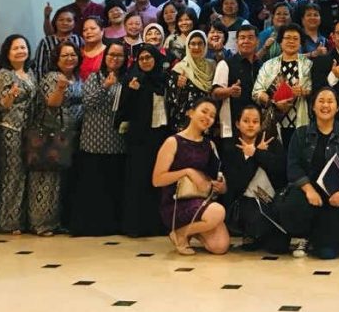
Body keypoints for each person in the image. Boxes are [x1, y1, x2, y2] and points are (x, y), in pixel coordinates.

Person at [282, 87, 339, 259]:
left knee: (328, 253)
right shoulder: (300, 134)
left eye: (330, 101)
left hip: (336, 196)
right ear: (313, 106)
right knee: (292, 203)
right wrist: (309, 190)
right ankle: (304, 235)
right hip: (309, 195)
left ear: (337, 107)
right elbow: (293, 166)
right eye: (321, 101)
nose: (325, 105)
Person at [153, 98, 230, 256]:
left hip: (201, 201)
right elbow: (157, 180)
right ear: (191, 112)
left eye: (212, 116)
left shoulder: (209, 145)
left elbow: (218, 176)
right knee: (218, 212)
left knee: (220, 246)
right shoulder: (173, 141)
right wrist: (187, 172)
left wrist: (222, 186)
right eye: (204, 111)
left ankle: (188, 231)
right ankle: (180, 233)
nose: (207, 117)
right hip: (176, 202)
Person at [70, 41, 127, 236]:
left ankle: (111, 225)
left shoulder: (126, 79)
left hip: (116, 142)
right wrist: (105, 86)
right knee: (93, 187)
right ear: (105, 56)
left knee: (112, 187)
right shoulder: (95, 77)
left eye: (119, 55)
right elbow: (87, 102)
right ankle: (90, 226)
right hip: (93, 141)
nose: (115, 59)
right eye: (112, 55)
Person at [29, 42, 83, 236]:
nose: (70, 59)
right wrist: (60, 88)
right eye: (65, 55)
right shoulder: (51, 77)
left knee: (61, 181)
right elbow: (52, 103)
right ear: (56, 59)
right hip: (50, 133)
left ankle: (56, 221)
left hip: (70, 135)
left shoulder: (78, 78)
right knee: (46, 179)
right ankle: (40, 223)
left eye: (73, 55)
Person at [116, 44, 169, 237]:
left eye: (149, 57)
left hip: (161, 137)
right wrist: (132, 92)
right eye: (142, 58)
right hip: (139, 138)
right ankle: (136, 226)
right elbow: (122, 111)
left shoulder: (163, 79)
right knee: (138, 181)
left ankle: (157, 224)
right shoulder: (132, 79)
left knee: (158, 180)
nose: (145, 61)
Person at [221, 106, 287, 253]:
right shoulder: (230, 148)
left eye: (255, 121)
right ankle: (251, 233)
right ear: (237, 124)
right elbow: (236, 184)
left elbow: (281, 171)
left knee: (278, 247)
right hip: (246, 202)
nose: (251, 125)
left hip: (272, 200)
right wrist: (254, 156)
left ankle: (263, 234)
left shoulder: (270, 142)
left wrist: (257, 153)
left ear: (261, 124)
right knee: (253, 226)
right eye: (246, 121)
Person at [0, 35, 36, 235]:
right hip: (11, 129)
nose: (20, 51)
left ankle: (22, 219)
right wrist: (11, 95)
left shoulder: (30, 73)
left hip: (29, 130)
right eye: (15, 48)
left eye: (23, 47)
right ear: (7, 53)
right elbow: (2, 105)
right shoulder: (4, 74)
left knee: (25, 174)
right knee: (11, 174)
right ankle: (7, 221)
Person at [252, 23, 313, 146]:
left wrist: (303, 92)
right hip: (273, 123)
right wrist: (273, 102)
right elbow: (256, 92)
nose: (291, 41)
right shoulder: (268, 65)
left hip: (301, 122)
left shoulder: (309, 65)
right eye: (287, 38)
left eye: (295, 38)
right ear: (280, 42)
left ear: (301, 43)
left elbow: (316, 91)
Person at [212, 25, 261, 141]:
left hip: (256, 127)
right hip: (232, 127)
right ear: (237, 42)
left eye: (250, 38)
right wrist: (229, 91)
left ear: (257, 42)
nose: (246, 41)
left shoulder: (262, 65)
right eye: (242, 38)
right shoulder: (225, 64)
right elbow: (214, 93)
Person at [166, 31, 216, 131]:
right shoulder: (180, 68)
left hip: (207, 121)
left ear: (205, 46)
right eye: (193, 44)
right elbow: (171, 99)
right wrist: (179, 87)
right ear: (188, 46)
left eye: (200, 43)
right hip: (185, 121)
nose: (196, 47)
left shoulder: (212, 66)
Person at [33, 8, 83, 80]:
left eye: (69, 20)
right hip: (50, 82)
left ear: (74, 23)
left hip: (75, 82)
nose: (65, 23)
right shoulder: (45, 42)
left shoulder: (79, 40)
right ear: (55, 22)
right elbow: (39, 67)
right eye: (61, 20)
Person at [79, 16, 107, 81]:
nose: (88, 32)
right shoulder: (78, 52)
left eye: (93, 28)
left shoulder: (108, 52)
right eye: (85, 30)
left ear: (102, 31)